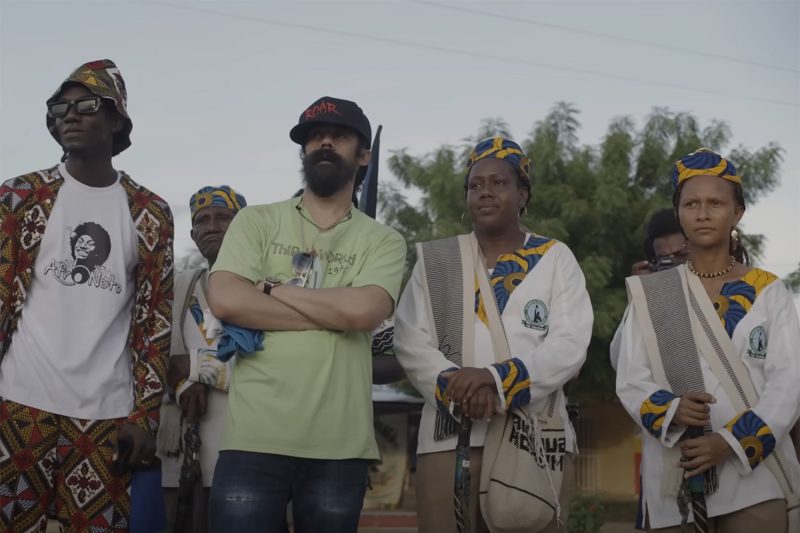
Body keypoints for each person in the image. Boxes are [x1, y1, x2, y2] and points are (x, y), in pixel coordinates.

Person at [206, 96, 406, 533]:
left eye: (339, 136)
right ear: (303, 151)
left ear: (364, 155)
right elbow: (225, 299)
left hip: (340, 446)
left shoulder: (383, 240)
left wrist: (271, 289)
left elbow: (365, 311)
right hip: (253, 438)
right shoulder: (256, 221)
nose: (325, 143)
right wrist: (337, 314)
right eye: (315, 137)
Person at [0, 59, 173, 531]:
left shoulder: (150, 213)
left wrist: (146, 417)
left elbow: (154, 321)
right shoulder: (19, 196)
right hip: (18, 403)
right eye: (60, 107)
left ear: (116, 120)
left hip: (106, 415)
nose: (70, 114)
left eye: (87, 105)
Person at [393, 136, 593, 532]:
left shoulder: (555, 257)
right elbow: (410, 339)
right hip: (447, 437)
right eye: (475, 184)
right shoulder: (437, 260)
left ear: (523, 194)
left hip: (531, 437)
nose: (485, 192)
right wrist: (456, 387)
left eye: (499, 183)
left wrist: (496, 381)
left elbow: (570, 344)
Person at [616, 148, 800, 532]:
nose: (702, 213)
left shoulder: (769, 291)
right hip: (676, 479)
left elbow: (789, 383)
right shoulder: (653, 293)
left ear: (737, 213)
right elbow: (630, 376)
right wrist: (671, 410)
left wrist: (730, 443)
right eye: (691, 204)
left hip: (757, 479)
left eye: (716, 203)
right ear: (679, 214)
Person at [157, 185, 247, 532]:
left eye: (223, 217)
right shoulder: (178, 288)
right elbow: (155, 357)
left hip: (247, 446)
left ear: (244, 227)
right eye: (202, 220)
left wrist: (194, 366)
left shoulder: (265, 289)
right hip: (186, 448)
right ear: (193, 235)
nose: (211, 226)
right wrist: (182, 382)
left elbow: (274, 369)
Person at [610, 208, 687, 371]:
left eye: (681, 256)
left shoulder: (727, 292)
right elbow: (621, 361)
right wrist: (638, 299)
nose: (672, 265)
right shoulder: (653, 301)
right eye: (663, 259)